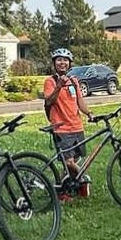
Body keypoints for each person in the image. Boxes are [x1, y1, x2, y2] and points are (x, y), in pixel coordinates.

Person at [43, 47, 93, 198]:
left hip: (77, 126)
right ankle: (83, 181)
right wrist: (59, 86)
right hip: (61, 128)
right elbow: (49, 100)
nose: (62, 62)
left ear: (70, 64)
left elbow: (80, 101)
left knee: (73, 161)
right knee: (69, 162)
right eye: (59, 60)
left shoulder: (74, 81)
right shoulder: (50, 81)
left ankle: (63, 190)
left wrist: (89, 113)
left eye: (65, 60)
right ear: (54, 63)